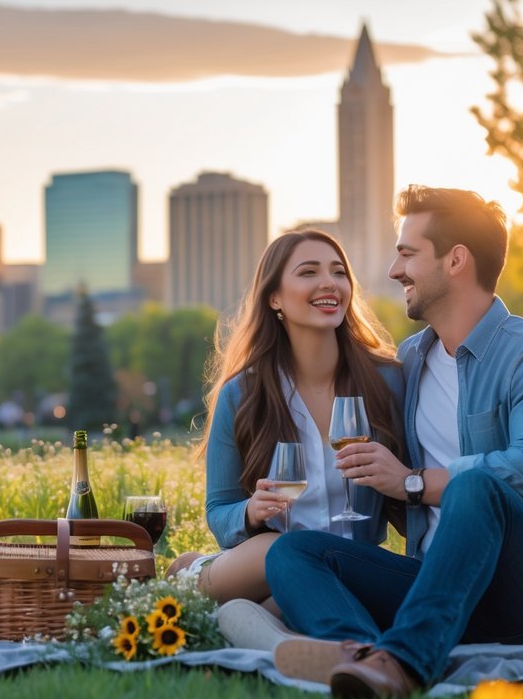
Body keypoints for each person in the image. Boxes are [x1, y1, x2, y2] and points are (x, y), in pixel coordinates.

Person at [267, 185, 523, 699]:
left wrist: (412, 482)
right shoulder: (413, 360)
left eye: (407, 254)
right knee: (293, 553)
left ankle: (402, 664)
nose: (394, 270)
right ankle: (359, 656)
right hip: (439, 582)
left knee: (478, 487)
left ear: (456, 260)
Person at [171, 227, 405, 614]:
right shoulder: (242, 394)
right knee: (283, 550)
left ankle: (241, 612)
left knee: (285, 604)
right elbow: (220, 509)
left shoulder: (388, 382)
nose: (329, 282)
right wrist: (250, 511)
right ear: (275, 297)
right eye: (309, 272)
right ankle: (193, 575)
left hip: (347, 565)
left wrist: (401, 478)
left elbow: (414, 499)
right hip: (265, 555)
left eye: (339, 272)